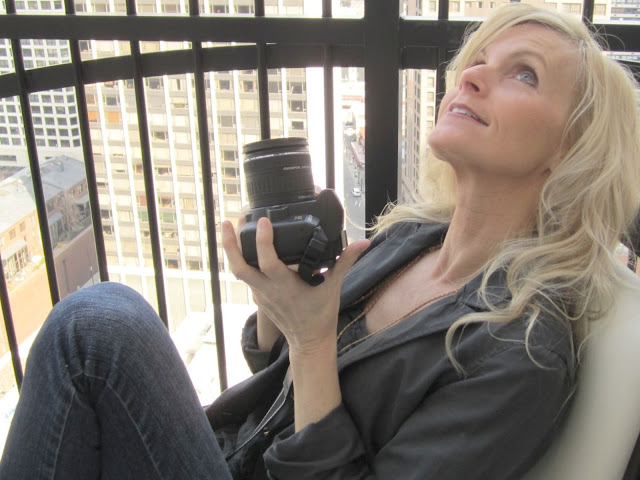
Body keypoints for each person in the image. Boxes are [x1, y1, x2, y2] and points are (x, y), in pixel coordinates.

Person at [2, 3, 639, 479]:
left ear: (569, 150)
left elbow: (314, 374)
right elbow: (280, 384)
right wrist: (278, 308)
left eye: (522, 75)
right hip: (231, 454)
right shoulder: (411, 237)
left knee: (96, 329)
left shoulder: (522, 348)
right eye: (476, 62)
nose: (469, 78)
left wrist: (311, 342)